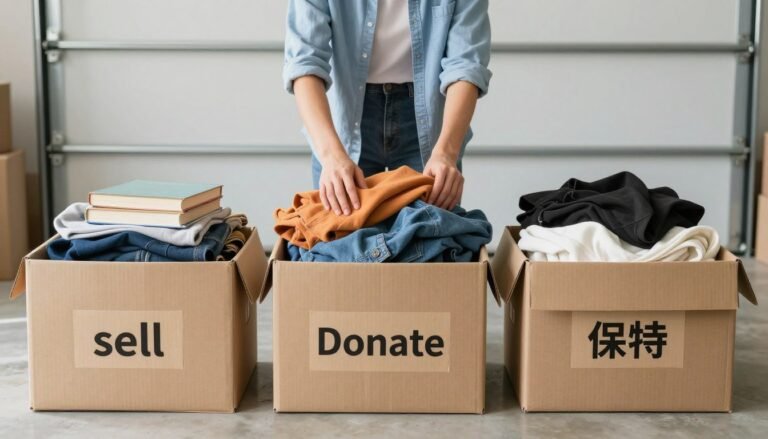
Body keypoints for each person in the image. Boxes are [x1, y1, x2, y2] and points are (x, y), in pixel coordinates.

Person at [284, 0, 491, 215]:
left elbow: (466, 65)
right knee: (339, 234)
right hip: (343, 123)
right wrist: (331, 156)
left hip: (429, 121)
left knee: (432, 236)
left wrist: (446, 153)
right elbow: (304, 62)